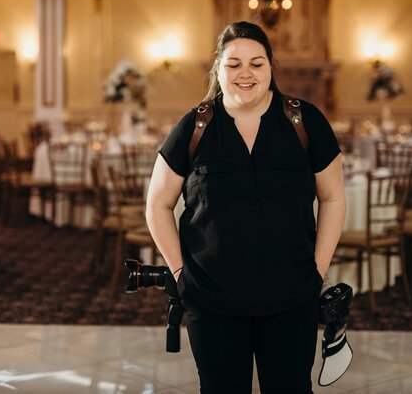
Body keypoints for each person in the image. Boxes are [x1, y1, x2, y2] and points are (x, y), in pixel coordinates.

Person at [145, 21, 346, 393]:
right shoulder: (195, 126)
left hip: (292, 297)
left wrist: (316, 271)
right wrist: (180, 274)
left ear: (271, 67)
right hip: (211, 300)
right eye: (233, 64)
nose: (245, 74)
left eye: (257, 63)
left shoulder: (305, 121)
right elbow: (158, 204)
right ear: (217, 69)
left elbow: (333, 197)